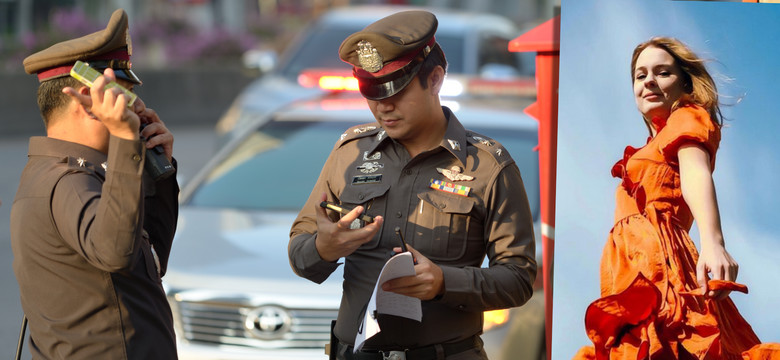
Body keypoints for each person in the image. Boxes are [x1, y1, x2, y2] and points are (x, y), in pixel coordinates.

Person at [288, 10, 537, 360]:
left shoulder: (488, 165)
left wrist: (443, 283)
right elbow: (299, 254)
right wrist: (324, 248)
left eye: (396, 92)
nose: (382, 106)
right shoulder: (350, 153)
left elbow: (519, 279)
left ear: (434, 80)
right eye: (371, 93)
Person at [574, 37, 779, 359]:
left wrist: (713, 243)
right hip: (628, 267)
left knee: (670, 341)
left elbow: (696, 174)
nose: (649, 81)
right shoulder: (652, 142)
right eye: (640, 76)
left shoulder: (687, 117)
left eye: (662, 72)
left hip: (660, 257)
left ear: (684, 81)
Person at [11, 9, 179, 359]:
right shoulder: (68, 181)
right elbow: (116, 254)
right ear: (88, 105)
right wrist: (123, 138)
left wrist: (155, 172)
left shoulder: (84, 173)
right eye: (125, 98)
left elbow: (148, 262)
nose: (136, 111)